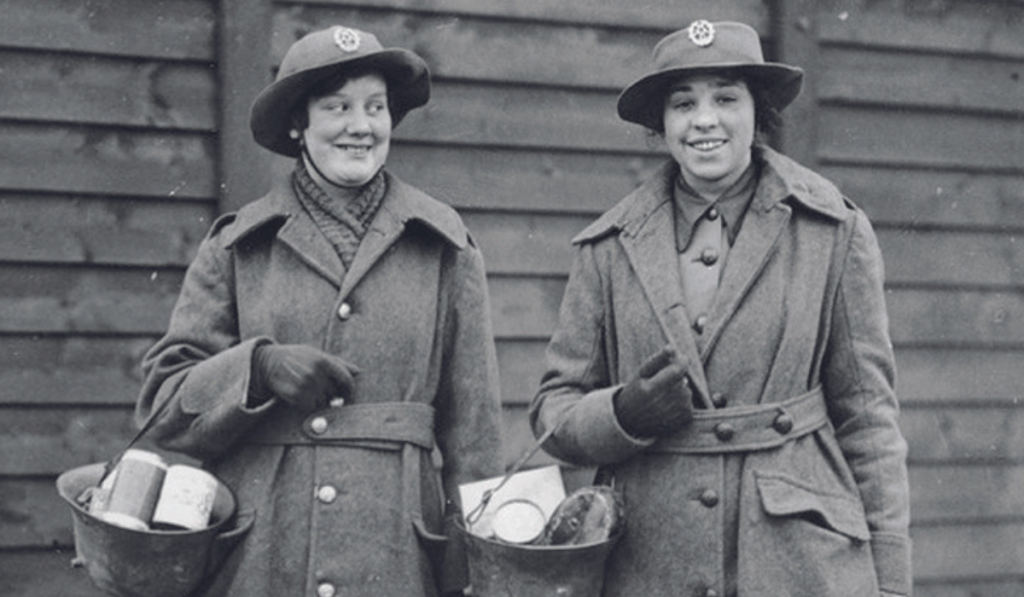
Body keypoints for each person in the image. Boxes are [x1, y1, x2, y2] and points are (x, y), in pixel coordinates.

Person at [529, 20, 910, 597]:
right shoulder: (609, 246)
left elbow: (868, 418)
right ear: (663, 123)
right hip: (648, 563)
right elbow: (552, 412)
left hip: (799, 560)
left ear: (759, 113)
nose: (705, 119)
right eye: (684, 103)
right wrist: (624, 414)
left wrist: (890, 582)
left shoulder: (832, 230)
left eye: (726, 98)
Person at [136, 24, 503, 597]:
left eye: (375, 107)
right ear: (298, 124)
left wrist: (475, 559)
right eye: (337, 107)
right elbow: (163, 410)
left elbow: (475, 432)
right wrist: (256, 370)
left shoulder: (445, 246)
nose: (361, 126)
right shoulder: (238, 247)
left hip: (398, 545)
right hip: (261, 548)